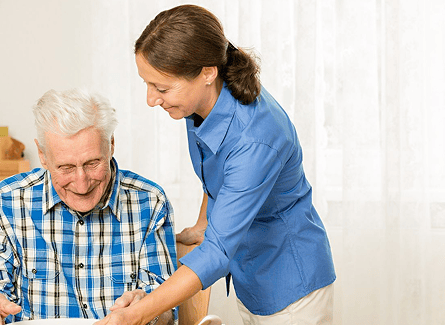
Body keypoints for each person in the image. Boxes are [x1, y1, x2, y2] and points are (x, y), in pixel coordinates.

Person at [97, 4, 336, 325]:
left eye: (162, 88)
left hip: (290, 286)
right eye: (148, 84)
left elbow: (218, 251)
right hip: (252, 276)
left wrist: (138, 314)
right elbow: (218, 176)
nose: (151, 99)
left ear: (208, 72)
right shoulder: (199, 103)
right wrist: (201, 226)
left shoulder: (255, 139)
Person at [0, 89, 177, 325]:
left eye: (92, 163)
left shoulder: (150, 202)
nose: (81, 182)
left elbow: (167, 313)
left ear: (111, 145)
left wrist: (150, 308)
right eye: (66, 167)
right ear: (42, 155)